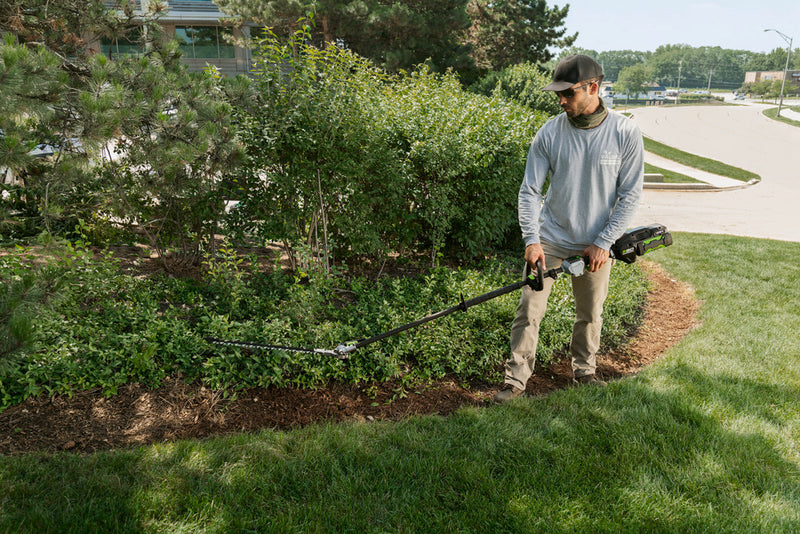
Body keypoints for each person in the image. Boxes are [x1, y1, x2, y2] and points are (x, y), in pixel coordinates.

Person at [495, 54, 644, 403]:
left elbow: (630, 195)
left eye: (568, 93)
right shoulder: (550, 132)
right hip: (551, 239)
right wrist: (532, 240)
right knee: (529, 310)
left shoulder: (624, 132)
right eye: (557, 94)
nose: (561, 100)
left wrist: (603, 242)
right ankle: (515, 380)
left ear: (593, 87)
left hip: (596, 243)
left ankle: (584, 371)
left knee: (590, 312)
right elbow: (530, 190)